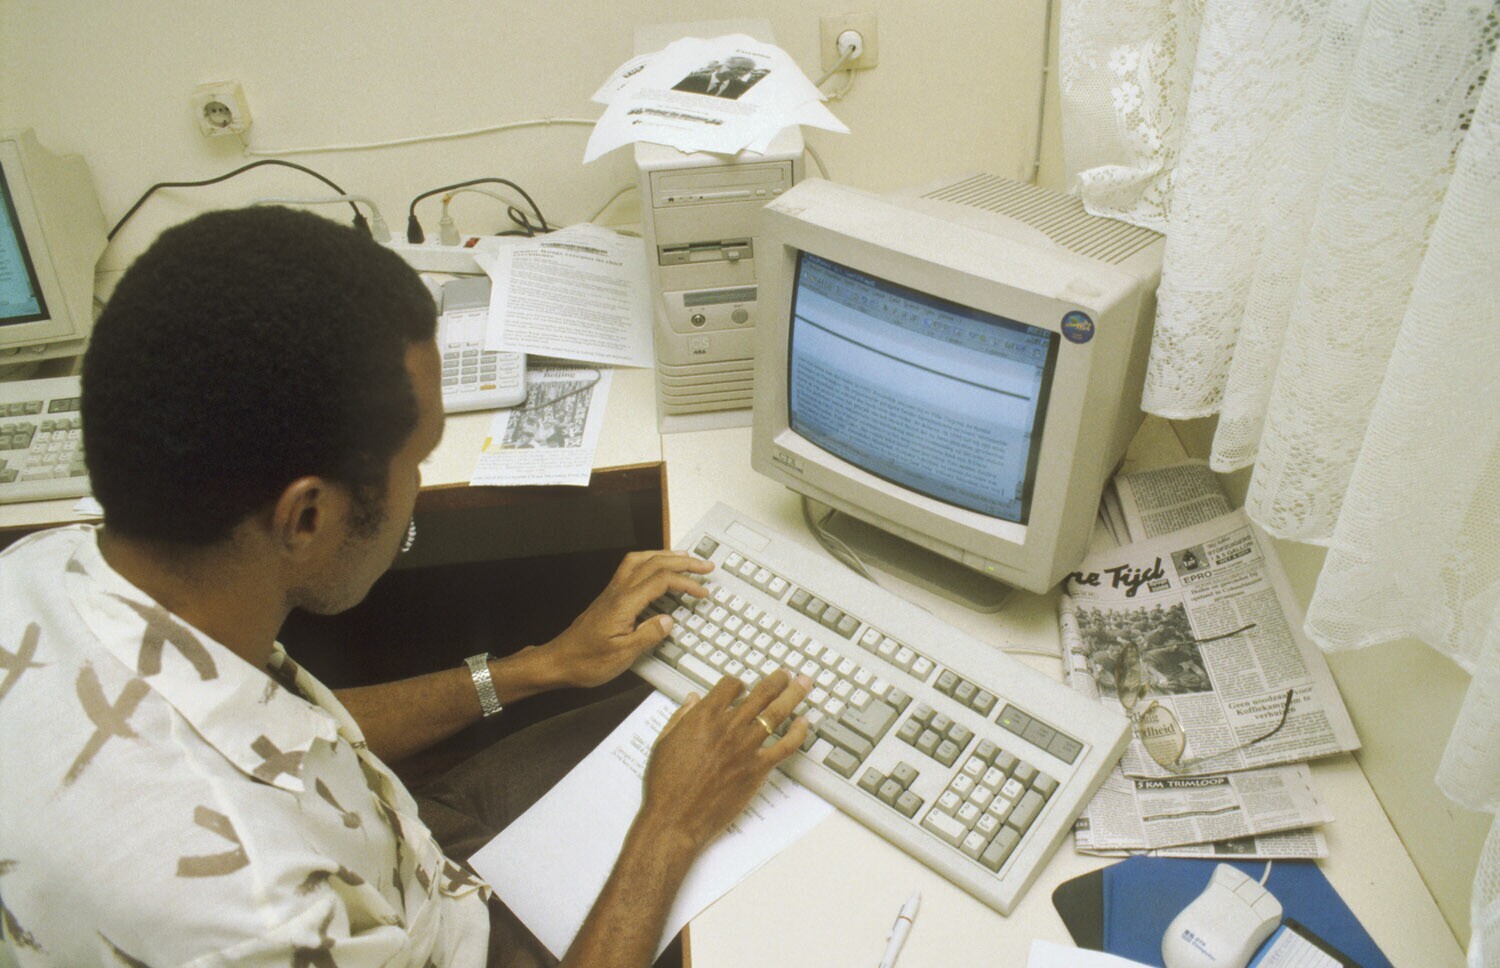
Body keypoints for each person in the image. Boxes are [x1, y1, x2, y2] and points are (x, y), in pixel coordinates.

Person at [0, 206, 811, 967]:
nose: (419, 488)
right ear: (307, 517)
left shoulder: (41, 569)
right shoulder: (260, 913)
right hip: (429, 934)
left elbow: (289, 735)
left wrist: (542, 666)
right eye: (417, 460)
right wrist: (669, 829)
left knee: (703, 720)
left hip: (410, 858)